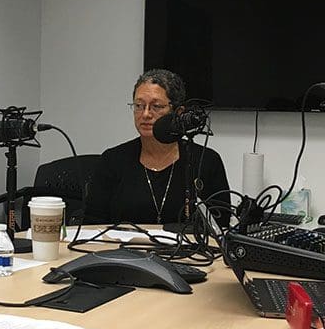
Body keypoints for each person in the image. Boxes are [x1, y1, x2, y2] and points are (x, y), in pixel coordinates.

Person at [86, 69, 231, 226]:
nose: (146, 114)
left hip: (185, 250)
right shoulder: (112, 160)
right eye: (139, 105)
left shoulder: (206, 161)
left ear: (178, 112)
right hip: (122, 249)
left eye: (156, 106)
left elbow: (220, 223)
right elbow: (92, 223)